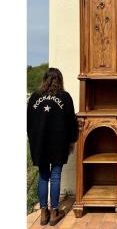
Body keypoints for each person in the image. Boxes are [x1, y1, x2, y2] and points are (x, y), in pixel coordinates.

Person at [27, 68, 78, 226]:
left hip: (40, 143)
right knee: (55, 176)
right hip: (58, 143)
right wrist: (72, 140)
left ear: (45, 79)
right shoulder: (65, 97)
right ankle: (55, 211)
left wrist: (33, 141)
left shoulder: (35, 97)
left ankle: (43, 213)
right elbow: (71, 122)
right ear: (60, 80)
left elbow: (28, 123)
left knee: (43, 177)